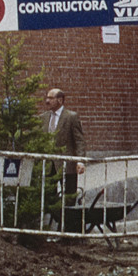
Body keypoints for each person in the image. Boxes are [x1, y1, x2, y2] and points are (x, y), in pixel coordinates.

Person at [43, 87, 86, 222]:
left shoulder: (71, 117)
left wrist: (80, 161)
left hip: (67, 166)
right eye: (47, 98)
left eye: (50, 98)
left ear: (60, 100)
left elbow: (79, 140)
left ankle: (69, 228)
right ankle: (57, 223)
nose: (47, 101)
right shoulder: (44, 118)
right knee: (49, 197)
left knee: (69, 198)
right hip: (49, 165)